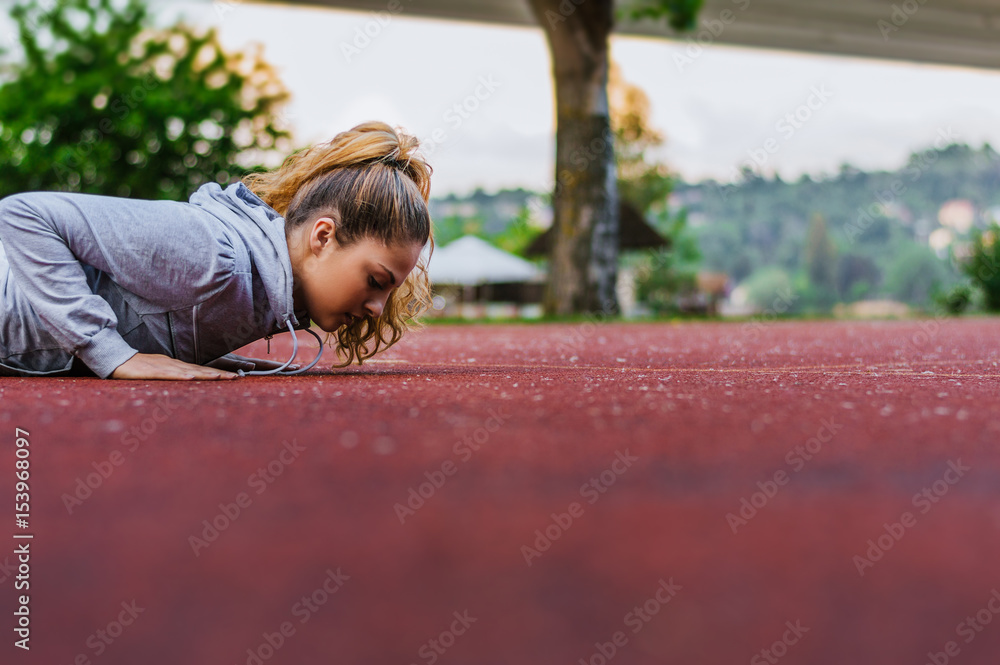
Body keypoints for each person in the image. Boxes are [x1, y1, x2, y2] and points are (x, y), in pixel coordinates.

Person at [0, 121, 434, 380]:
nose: (379, 308)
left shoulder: (269, 294)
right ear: (322, 237)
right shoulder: (213, 253)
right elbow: (24, 215)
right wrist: (112, 355)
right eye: (376, 282)